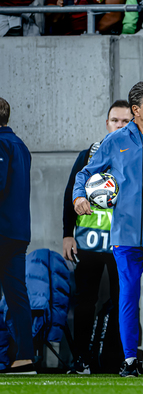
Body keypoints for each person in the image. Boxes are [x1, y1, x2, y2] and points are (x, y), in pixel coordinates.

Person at [73, 82, 143, 378]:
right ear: (136, 110)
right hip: (125, 237)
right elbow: (85, 173)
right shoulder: (115, 141)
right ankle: (130, 360)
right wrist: (80, 195)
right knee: (127, 298)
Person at [62, 99, 132, 374]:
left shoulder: (135, 156)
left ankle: (114, 361)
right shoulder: (89, 155)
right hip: (89, 240)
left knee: (123, 300)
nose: (120, 125)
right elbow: (71, 193)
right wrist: (68, 235)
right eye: (115, 120)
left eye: (126, 121)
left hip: (123, 241)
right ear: (107, 123)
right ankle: (81, 360)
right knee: (84, 301)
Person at [0, 97, 35, 374]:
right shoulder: (20, 145)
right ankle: (24, 357)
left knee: (16, 296)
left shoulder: (1, 143)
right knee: (17, 295)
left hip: (2, 229)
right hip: (17, 232)